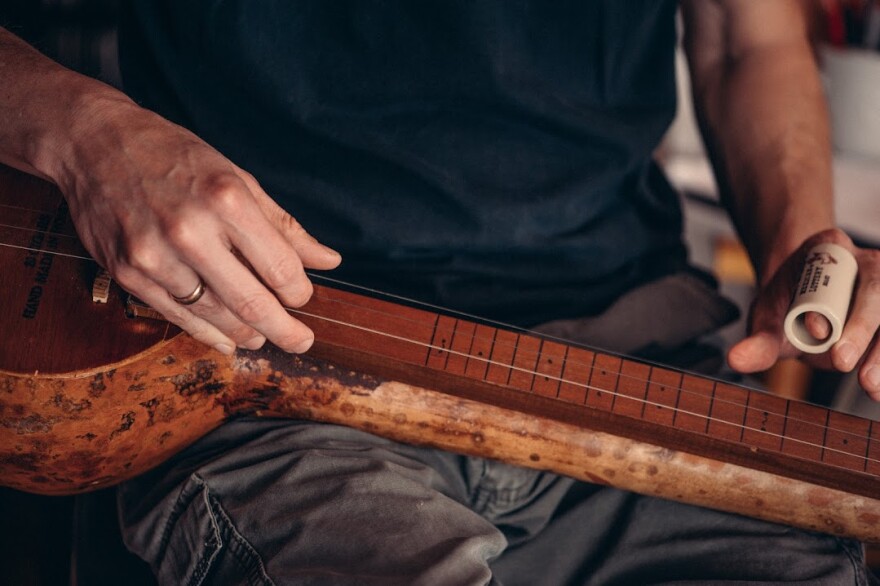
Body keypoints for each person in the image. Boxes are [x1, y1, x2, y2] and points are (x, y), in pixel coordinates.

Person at [1, 0, 879, 584]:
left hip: (636, 352)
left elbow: (745, 43)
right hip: (251, 360)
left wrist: (808, 255)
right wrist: (86, 133)